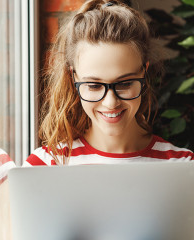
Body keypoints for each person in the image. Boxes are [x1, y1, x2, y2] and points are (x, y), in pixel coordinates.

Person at [24, 0, 194, 167]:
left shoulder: (183, 166)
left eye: (125, 83)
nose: (111, 103)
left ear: (144, 72)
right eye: (93, 86)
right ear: (73, 77)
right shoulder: (45, 164)